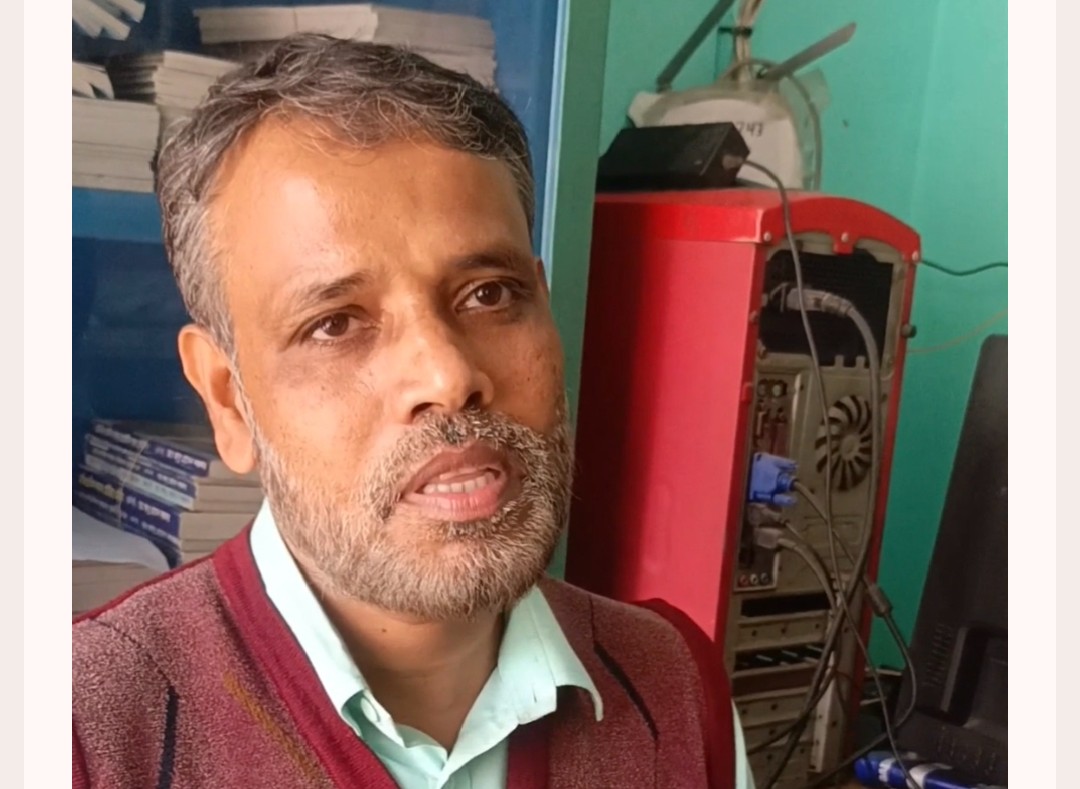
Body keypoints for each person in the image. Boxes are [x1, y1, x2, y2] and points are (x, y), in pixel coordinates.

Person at [72, 34, 755, 788]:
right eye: (335, 323)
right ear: (228, 401)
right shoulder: (84, 734)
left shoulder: (674, 692)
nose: (448, 375)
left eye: (488, 294)